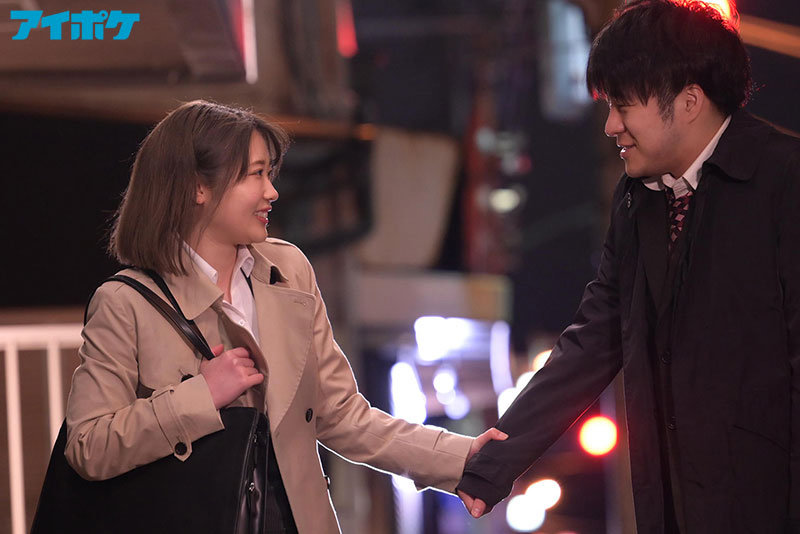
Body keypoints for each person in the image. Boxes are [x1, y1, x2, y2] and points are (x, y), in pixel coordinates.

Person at [64, 100, 506, 534]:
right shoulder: (124, 303)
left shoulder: (288, 270)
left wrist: (459, 459)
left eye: (268, 173)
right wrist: (199, 396)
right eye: (255, 174)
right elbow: (88, 447)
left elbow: (342, 415)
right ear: (199, 187)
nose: (271, 191)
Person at [456, 1, 800, 532]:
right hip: (673, 508)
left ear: (689, 101)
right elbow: (593, 339)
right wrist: (493, 465)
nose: (611, 126)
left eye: (623, 106)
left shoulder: (783, 180)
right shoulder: (638, 197)